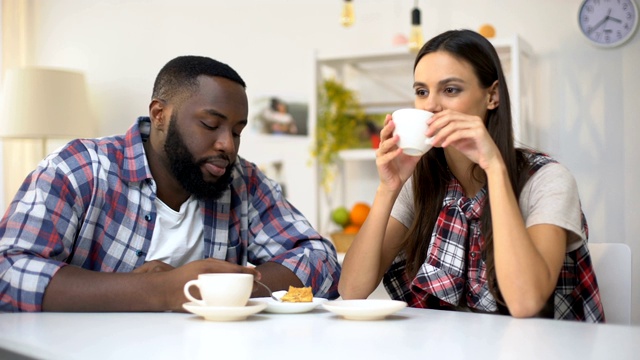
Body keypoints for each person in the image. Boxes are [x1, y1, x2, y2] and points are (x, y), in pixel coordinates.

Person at [0, 55, 341, 312]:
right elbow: (8, 270)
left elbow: (321, 259)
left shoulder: (243, 182)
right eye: (211, 124)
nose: (228, 145)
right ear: (159, 114)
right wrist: (162, 290)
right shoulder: (81, 169)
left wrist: (228, 287)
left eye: (237, 131)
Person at [338, 29, 605, 322]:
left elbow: (526, 303)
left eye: (450, 89)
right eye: (421, 91)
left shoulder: (547, 179)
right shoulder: (419, 181)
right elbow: (351, 290)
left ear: (492, 96)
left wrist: (494, 167)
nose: (431, 106)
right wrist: (388, 188)